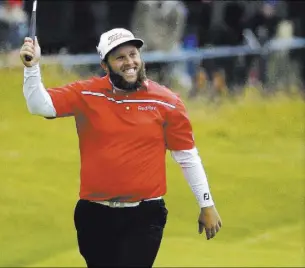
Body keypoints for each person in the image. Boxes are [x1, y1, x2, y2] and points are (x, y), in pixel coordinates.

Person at [19, 28, 222, 268]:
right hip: (95, 214)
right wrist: (31, 67)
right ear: (105, 65)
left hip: (145, 214)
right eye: (120, 57)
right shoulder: (87, 93)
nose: (130, 62)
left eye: (133, 54)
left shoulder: (166, 101)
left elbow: (186, 156)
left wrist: (206, 203)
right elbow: (39, 105)